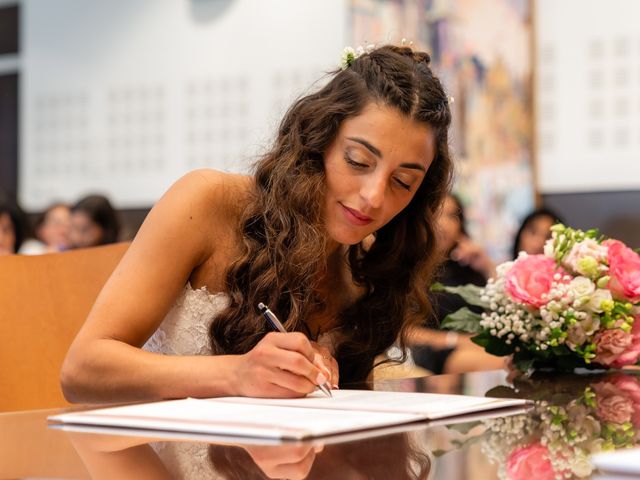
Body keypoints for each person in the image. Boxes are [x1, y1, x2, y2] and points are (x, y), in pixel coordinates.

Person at [61, 44, 453, 404]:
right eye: (358, 161)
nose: (374, 196)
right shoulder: (207, 202)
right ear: (321, 139)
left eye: (403, 182)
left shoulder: (368, 269)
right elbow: (82, 370)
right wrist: (237, 373)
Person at [410, 193, 502, 374]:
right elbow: (403, 333)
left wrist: (487, 267)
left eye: (452, 216)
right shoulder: (410, 268)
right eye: (436, 214)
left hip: (474, 347)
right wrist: (455, 340)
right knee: (505, 362)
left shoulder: (469, 267)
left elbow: (499, 319)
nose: (444, 225)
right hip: (433, 351)